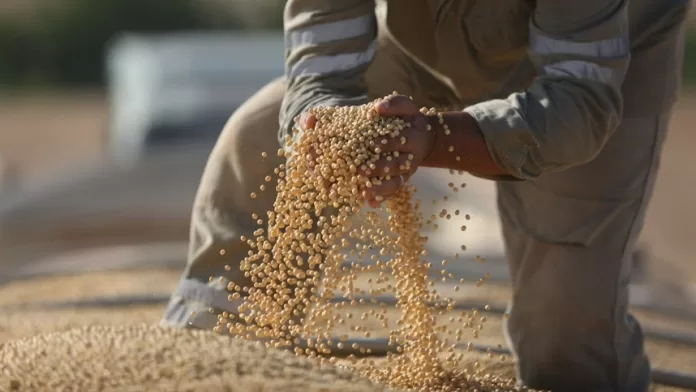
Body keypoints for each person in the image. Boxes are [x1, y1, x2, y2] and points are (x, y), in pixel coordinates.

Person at [161, 0, 691, 390]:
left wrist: (434, 138)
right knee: (258, 136)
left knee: (566, 338)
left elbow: (579, 105)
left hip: (600, 60)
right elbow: (320, 70)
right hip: (422, 45)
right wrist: (328, 127)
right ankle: (205, 357)